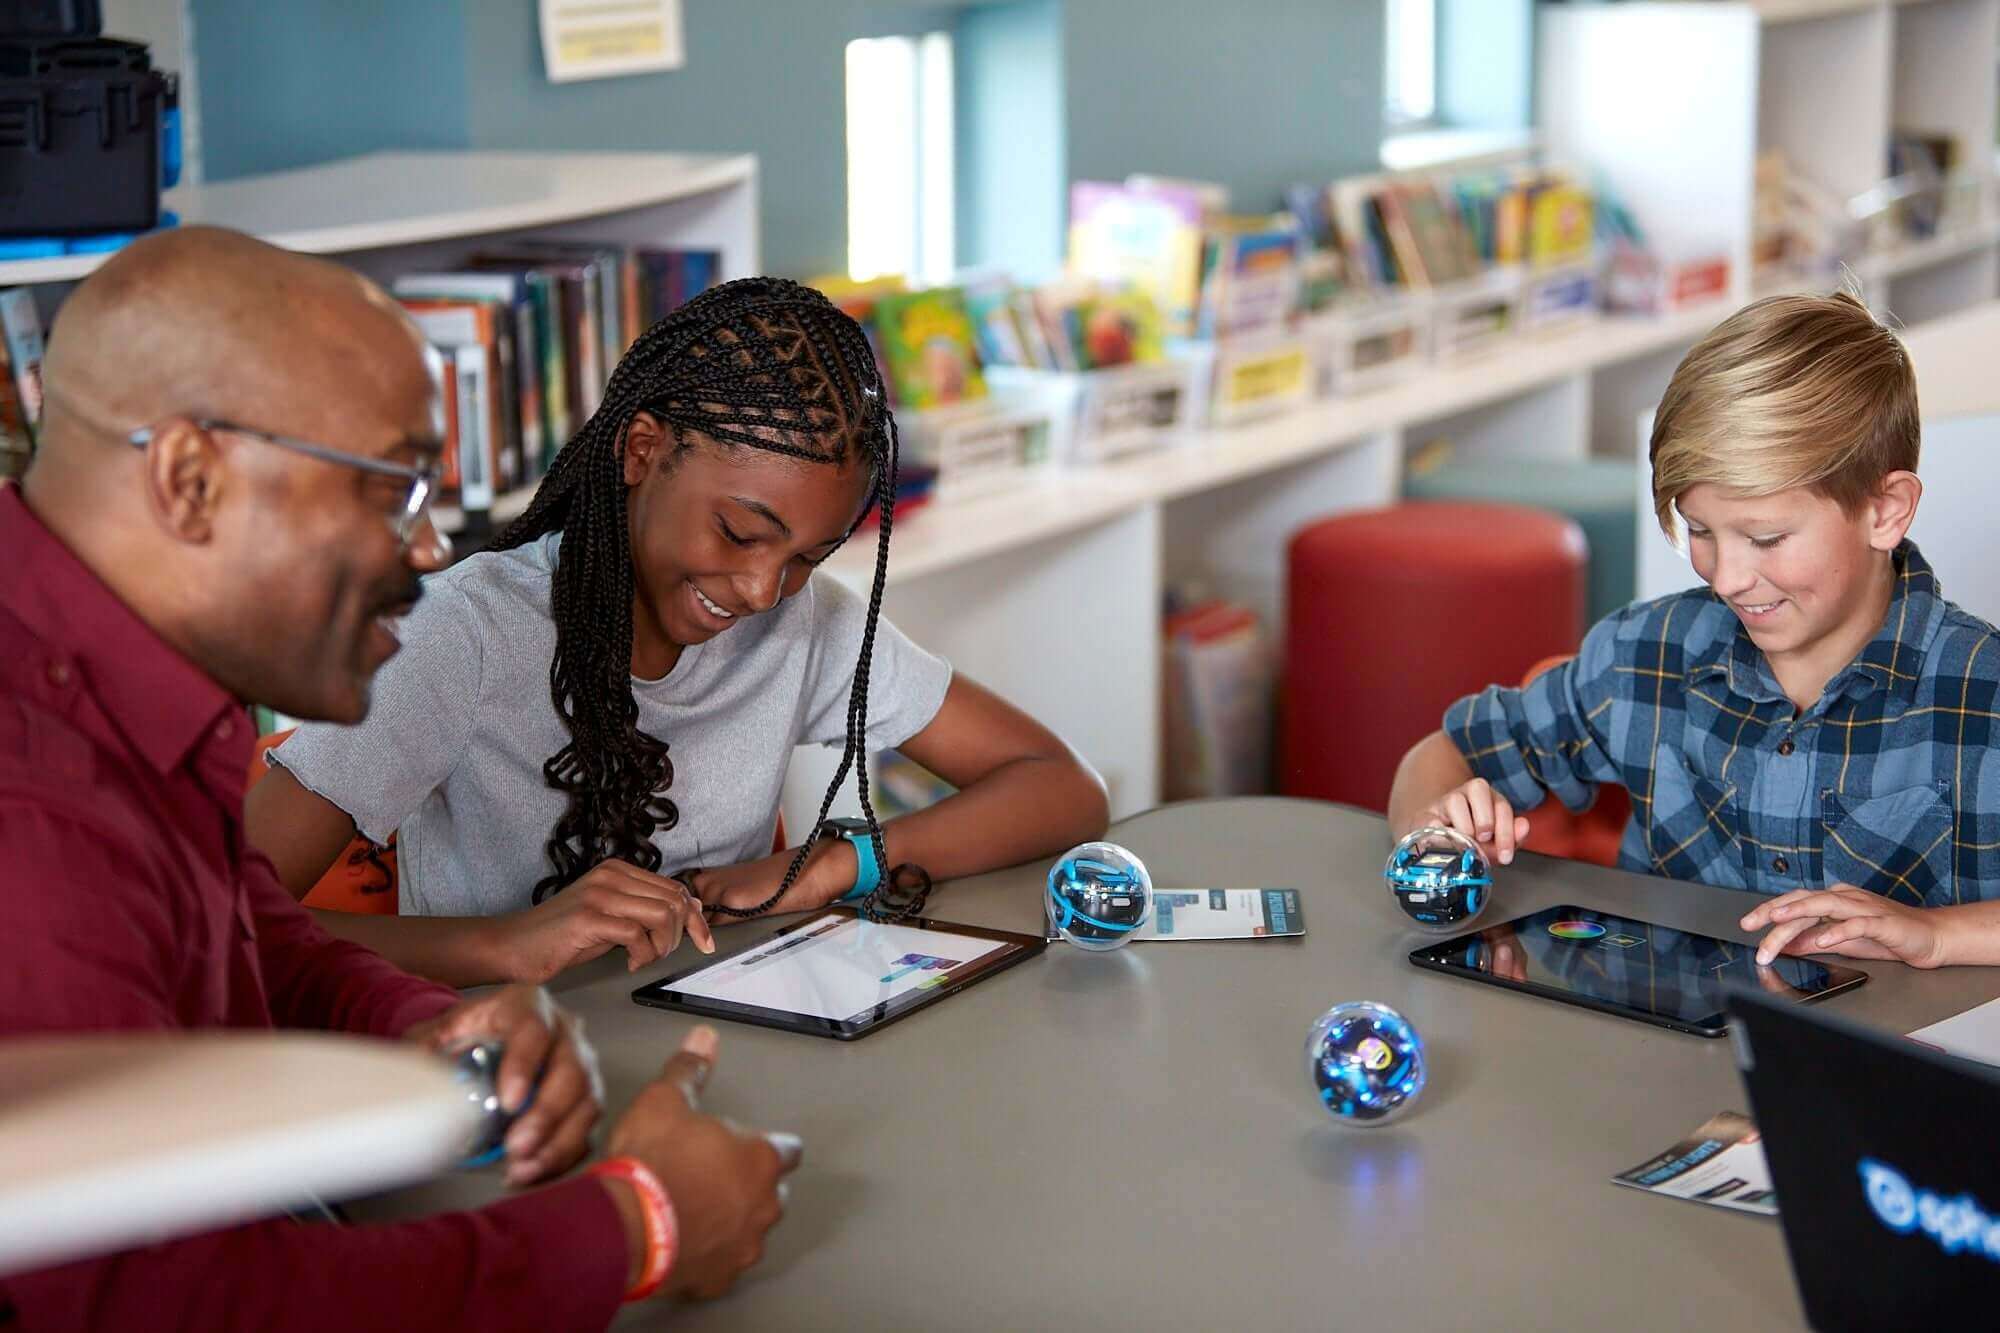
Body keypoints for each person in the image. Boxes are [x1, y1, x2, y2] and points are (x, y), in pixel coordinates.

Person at [0, 226, 794, 1329]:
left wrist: (414, 1025)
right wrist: (633, 1228)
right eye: (391, 490)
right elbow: (163, 1308)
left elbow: (240, 926)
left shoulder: (85, 657)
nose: (425, 551)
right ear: (190, 478)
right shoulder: (34, 829)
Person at [245, 276, 1110, 987]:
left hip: (721, 1035)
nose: (764, 588)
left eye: (808, 555)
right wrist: (502, 944)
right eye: (739, 532)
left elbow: (1063, 788)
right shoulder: (464, 635)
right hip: (511, 1066)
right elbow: (224, 915)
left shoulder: (805, 626)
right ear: (642, 450)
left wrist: (835, 866)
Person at [1385, 290, 2000, 962]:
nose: (1727, 576)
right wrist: (1432, 826)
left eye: (1766, 538)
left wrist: (1939, 935)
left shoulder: (1981, 690)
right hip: (1662, 1050)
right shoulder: (1646, 654)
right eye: (1701, 531)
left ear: (1885, 510)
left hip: (1889, 1060)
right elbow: (1440, 753)